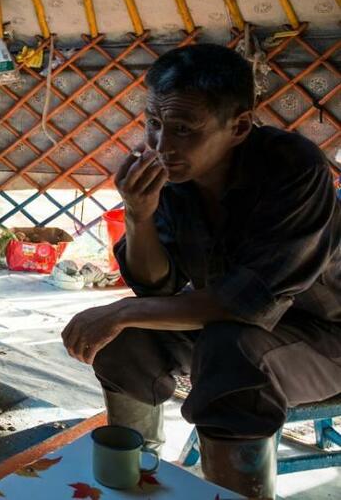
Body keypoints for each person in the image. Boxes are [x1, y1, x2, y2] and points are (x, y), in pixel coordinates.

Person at [61, 44, 340, 499]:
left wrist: (118, 311)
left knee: (230, 349)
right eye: (153, 124)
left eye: (183, 130)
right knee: (127, 338)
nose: (160, 145)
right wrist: (138, 214)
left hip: (326, 336)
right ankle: (135, 476)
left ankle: (235, 494)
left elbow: (245, 304)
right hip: (233, 327)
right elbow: (158, 285)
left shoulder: (293, 168)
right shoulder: (174, 174)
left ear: (239, 127)